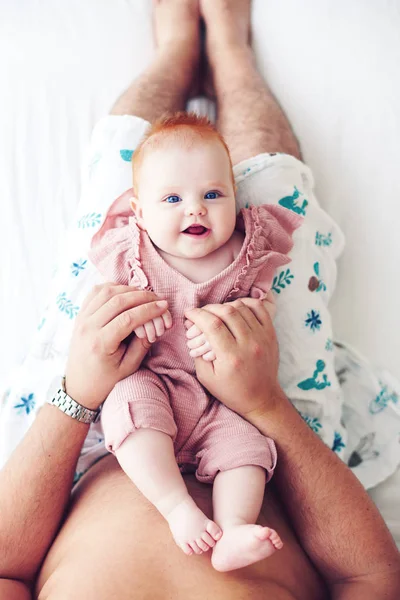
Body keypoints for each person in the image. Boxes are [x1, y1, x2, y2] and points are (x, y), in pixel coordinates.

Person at [0, 0, 399, 598]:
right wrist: (265, 404)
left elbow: (4, 565)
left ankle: (178, 52)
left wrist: (78, 390)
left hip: (91, 412)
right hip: (265, 414)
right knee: (273, 182)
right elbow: (373, 575)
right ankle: (230, 54)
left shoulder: (127, 242)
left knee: (123, 166)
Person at [89, 111, 299, 568]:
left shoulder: (248, 250)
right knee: (127, 404)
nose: (195, 209)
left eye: (212, 194)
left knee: (246, 449)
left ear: (234, 198)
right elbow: (110, 308)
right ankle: (176, 507)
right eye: (172, 198)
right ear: (140, 213)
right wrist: (132, 319)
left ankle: (235, 528)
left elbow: (263, 307)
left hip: (222, 399)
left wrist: (246, 316)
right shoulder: (132, 253)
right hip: (157, 382)